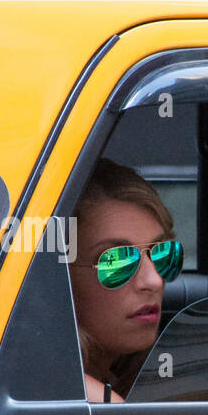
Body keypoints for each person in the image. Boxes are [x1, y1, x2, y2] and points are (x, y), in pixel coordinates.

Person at [68, 158, 183, 402]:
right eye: (116, 260)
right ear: (60, 278)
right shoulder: (92, 401)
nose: (154, 280)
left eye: (162, 252)